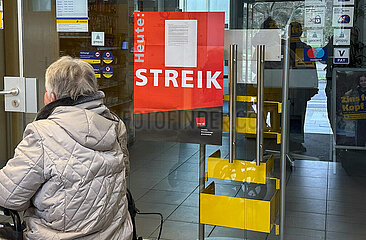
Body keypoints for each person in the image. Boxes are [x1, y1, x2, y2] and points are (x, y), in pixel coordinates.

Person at [0, 56, 133, 239]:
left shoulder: (43, 133)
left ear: (52, 97)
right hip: (115, 234)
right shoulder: (114, 125)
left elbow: (9, 196)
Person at [344, 74, 366, 146]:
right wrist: (353, 89)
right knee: (359, 132)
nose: (363, 83)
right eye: (361, 81)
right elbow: (346, 95)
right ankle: (359, 146)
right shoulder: (356, 91)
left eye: (365, 81)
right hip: (359, 115)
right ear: (359, 82)